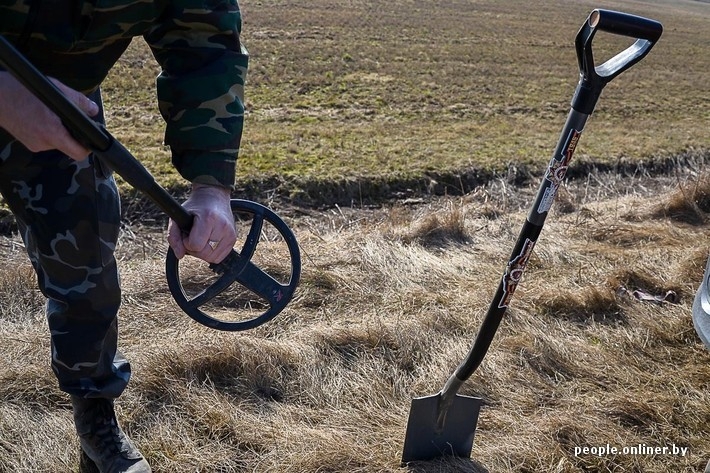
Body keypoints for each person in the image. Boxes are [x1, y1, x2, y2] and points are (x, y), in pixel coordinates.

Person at [0, 0, 248, 471]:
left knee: (87, 265)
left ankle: (95, 420)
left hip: (63, 111)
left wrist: (211, 183)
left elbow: (202, 39)